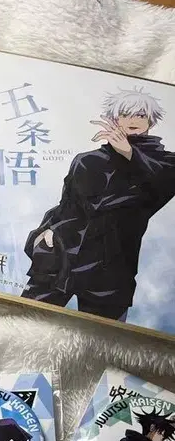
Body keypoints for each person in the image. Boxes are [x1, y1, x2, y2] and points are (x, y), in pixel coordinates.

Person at [23, 88, 175, 321]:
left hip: (111, 269)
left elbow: (159, 187)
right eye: (125, 114)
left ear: (151, 121)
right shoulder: (88, 160)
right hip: (61, 256)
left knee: (103, 337)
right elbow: (68, 205)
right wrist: (45, 233)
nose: (133, 120)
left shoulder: (165, 164)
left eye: (141, 115)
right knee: (22, 320)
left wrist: (128, 152)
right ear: (114, 119)